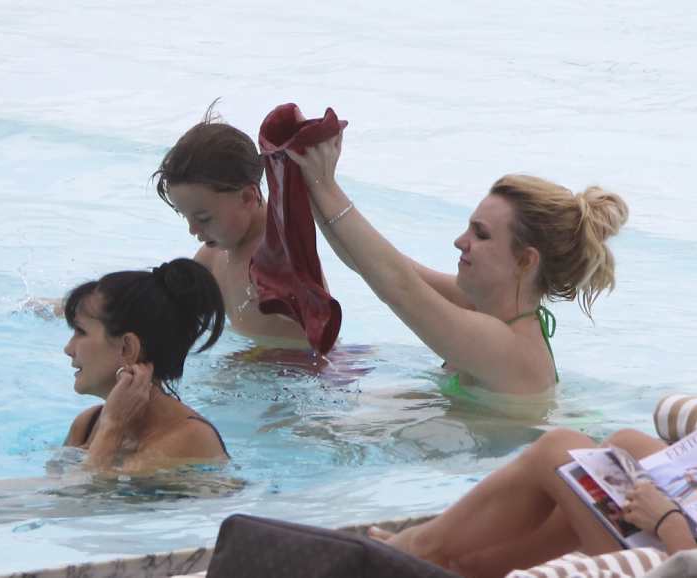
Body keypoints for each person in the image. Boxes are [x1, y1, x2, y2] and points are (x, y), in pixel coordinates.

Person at [287, 132, 628, 395]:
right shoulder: (486, 305)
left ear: (525, 261)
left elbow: (398, 287)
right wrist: (308, 181)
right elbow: (368, 264)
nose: (460, 241)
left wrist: (324, 184)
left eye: (481, 234)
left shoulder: (507, 346)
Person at [366, 428, 696, 577]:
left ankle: (421, 550)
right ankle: (466, 565)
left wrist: (667, 520)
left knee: (561, 450)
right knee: (624, 446)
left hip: (678, 554)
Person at [153, 105, 321, 348]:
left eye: (203, 218)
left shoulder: (281, 260)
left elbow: (317, 336)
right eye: (185, 216)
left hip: (303, 367)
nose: (193, 230)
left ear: (247, 197)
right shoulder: (213, 256)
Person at [62, 257, 229, 473]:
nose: (68, 348)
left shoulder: (190, 439)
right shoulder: (86, 425)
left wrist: (112, 428)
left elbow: (85, 491)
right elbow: (54, 489)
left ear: (127, 348)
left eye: (81, 332)